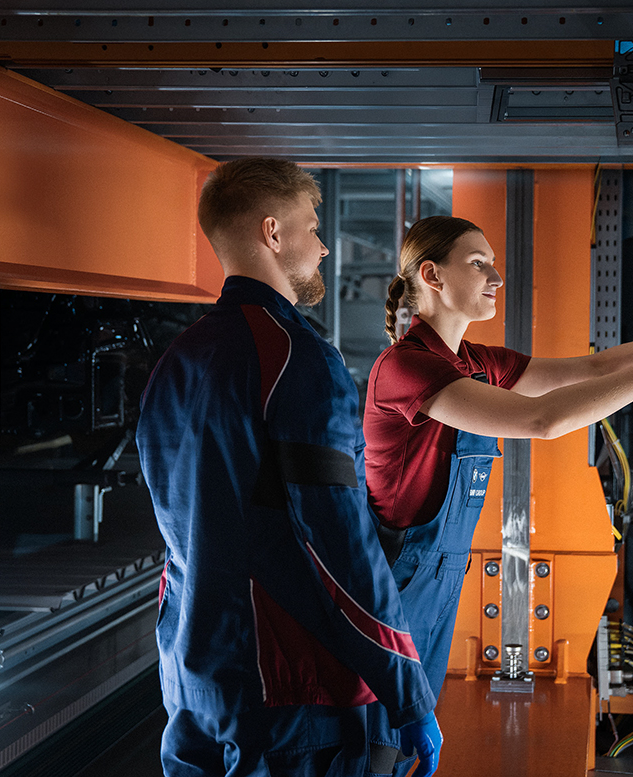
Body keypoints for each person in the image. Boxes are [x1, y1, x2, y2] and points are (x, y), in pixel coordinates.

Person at [362, 215, 633, 765]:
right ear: (431, 275)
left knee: (402, 748)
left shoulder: (474, 362)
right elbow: (544, 420)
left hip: (435, 585)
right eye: (478, 264)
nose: (497, 278)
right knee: (376, 747)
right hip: (396, 587)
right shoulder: (406, 367)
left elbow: (591, 367)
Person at [137, 158, 442, 777]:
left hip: (193, 678)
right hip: (289, 693)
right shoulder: (299, 359)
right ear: (272, 233)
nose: (325, 247)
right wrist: (408, 691)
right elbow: (338, 543)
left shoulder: (176, 360)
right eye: (312, 227)